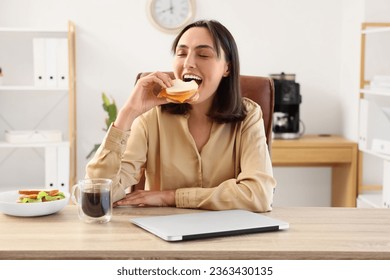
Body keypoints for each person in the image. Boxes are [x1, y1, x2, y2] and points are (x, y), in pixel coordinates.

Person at [86, 19, 276, 212]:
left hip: (230, 237)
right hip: (162, 234)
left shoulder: (249, 115)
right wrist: (128, 113)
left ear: (227, 68)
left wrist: (170, 196)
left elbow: (259, 195)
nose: (189, 63)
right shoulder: (151, 117)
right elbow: (99, 194)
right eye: (181, 53)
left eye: (203, 54)